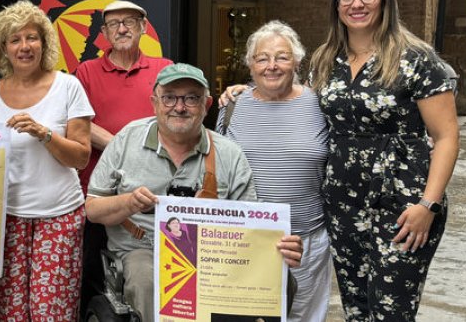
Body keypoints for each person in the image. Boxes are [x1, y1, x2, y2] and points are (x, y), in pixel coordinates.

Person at [85, 63, 303, 322]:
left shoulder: (229, 154)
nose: (179, 107)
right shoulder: (126, 140)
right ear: (154, 102)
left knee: (280, 278)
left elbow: (252, 228)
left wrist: (279, 246)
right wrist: (128, 203)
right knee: (149, 282)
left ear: (206, 105)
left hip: (215, 256)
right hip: (144, 250)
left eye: (191, 98)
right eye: (169, 97)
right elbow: (93, 209)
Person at [306, 0, 459, 320]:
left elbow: (447, 136)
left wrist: (428, 205)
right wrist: (244, 94)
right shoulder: (325, 60)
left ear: (384, 1)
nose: (356, 4)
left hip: (404, 202)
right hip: (343, 199)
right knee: (356, 307)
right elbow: (299, 105)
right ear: (337, 5)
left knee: (391, 310)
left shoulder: (417, 59)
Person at [0, 0, 93, 321]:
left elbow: (81, 157)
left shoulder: (68, 86)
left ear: (44, 42)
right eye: (15, 39)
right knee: (10, 312)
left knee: (50, 312)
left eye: (31, 37)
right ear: (3, 48)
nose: (24, 46)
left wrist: (44, 134)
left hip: (59, 217)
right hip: (7, 220)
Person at [217, 21, 330, 322]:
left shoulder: (320, 104)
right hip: (244, 243)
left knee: (302, 317)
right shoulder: (231, 107)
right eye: (262, 58)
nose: (272, 66)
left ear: (296, 61)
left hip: (306, 241)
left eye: (282, 57)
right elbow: (217, 172)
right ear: (250, 65)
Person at [72, 0, 172, 304]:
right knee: (93, 276)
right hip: (99, 192)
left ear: (143, 27)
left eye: (129, 21)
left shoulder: (164, 68)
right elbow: (79, 124)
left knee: (157, 277)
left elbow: (186, 109)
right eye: (114, 24)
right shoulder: (86, 71)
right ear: (104, 32)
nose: (122, 28)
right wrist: (125, 145)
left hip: (153, 195)